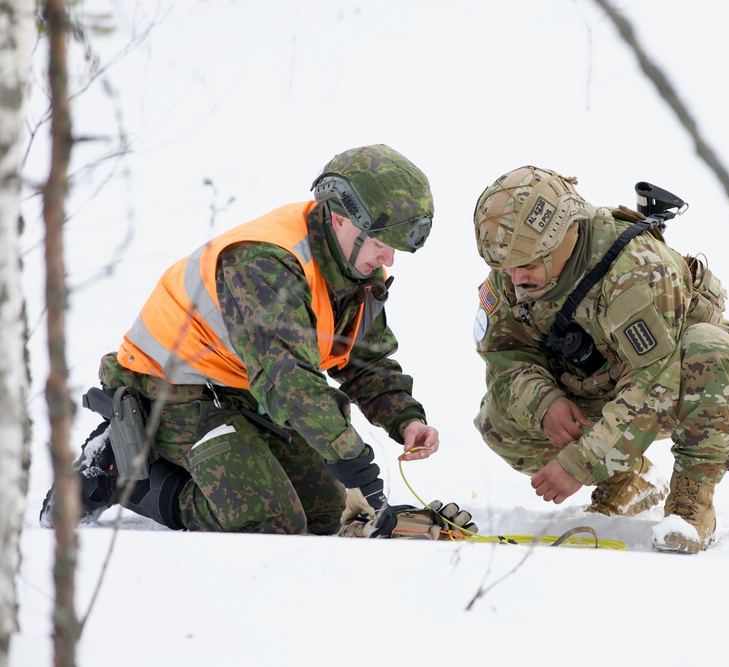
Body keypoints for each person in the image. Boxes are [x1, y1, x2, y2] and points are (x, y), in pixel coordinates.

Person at [40, 143, 450, 538]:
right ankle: (120, 472)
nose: (389, 260)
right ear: (341, 219)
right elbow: (289, 383)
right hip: (172, 388)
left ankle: (211, 463)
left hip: (243, 390)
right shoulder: (265, 262)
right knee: (270, 520)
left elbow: (362, 360)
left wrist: (405, 419)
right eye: (381, 245)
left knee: (324, 512)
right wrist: (354, 461)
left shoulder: (357, 266)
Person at [471, 166, 729, 553]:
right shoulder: (514, 268)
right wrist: (544, 403)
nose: (515, 278)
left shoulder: (636, 270)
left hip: (681, 385)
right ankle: (627, 481)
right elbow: (504, 353)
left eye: (527, 266)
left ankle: (692, 502)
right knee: (498, 420)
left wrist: (581, 462)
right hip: (602, 381)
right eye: (504, 268)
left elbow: (652, 381)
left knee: (709, 348)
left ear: (564, 237)